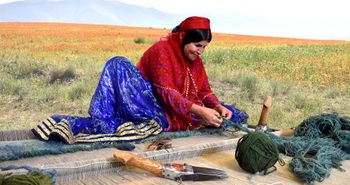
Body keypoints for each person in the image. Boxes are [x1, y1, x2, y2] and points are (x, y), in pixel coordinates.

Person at [32, 16, 248, 144]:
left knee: (231, 113)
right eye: (197, 46)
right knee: (117, 63)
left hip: (177, 108)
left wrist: (217, 106)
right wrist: (200, 111)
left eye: (204, 47)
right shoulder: (162, 50)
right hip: (147, 102)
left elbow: (204, 90)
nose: (200, 51)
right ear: (183, 38)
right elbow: (166, 93)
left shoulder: (195, 61)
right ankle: (79, 125)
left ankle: (200, 115)